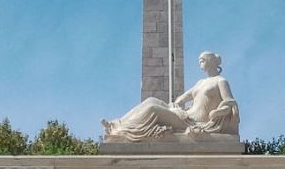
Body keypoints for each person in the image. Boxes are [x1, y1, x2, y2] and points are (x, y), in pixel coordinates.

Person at [102, 51, 240, 142]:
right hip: (185, 115)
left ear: (211, 61)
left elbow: (230, 103)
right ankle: (116, 125)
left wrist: (218, 112)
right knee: (151, 100)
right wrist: (176, 104)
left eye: (202, 61)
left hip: (193, 122)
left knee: (153, 108)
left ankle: (121, 131)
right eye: (199, 61)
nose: (200, 64)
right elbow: (182, 98)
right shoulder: (201, 83)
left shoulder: (221, 81)